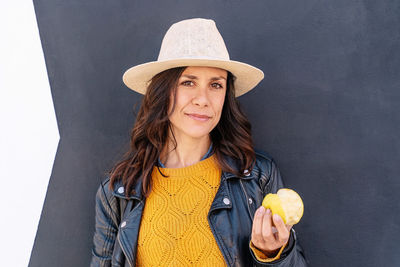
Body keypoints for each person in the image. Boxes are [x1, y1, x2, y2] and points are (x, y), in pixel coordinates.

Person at [90, 18, 308, 267]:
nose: (203, 99)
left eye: (216, 85)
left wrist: (272, 254)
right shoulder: (118, 191)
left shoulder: (257, 176)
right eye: (188, 82)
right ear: (162, 91)